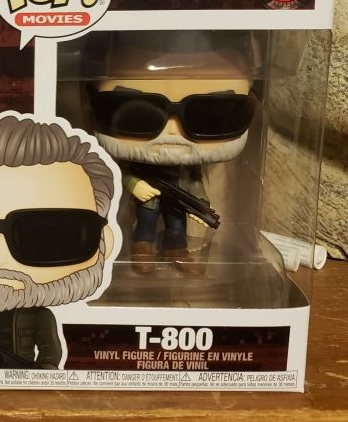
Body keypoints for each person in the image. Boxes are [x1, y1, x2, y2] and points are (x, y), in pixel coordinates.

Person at [86, 31, 257, 274]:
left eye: (206, 112)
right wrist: (136, 185)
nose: (172, 130)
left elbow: (195, 181)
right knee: (145, 224)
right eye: (142, 113)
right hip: (148, 196)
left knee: (176, 226)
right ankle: (142, 248)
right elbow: (122, 172)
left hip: (177, 200)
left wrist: (200, 205)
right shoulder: (140, 162)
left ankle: (176, 250)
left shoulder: (188, 167)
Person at [0, 115, 117, 368]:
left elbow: (50, 353)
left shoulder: (40, 315)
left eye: (46, 237)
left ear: (103, 242)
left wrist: (44, 377)